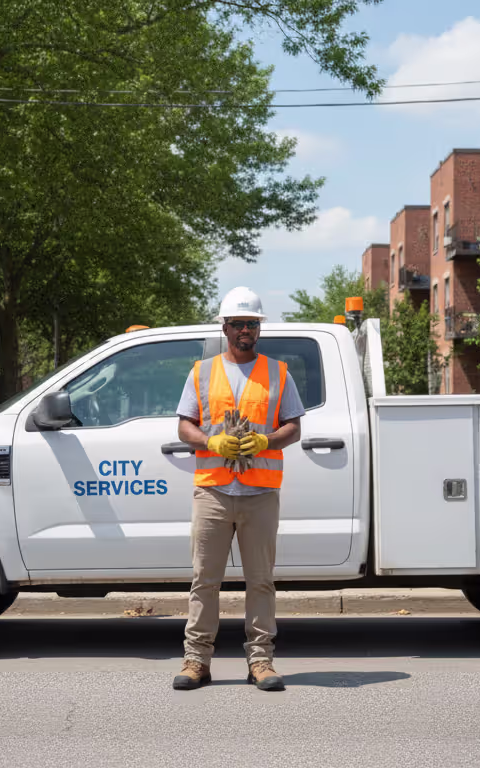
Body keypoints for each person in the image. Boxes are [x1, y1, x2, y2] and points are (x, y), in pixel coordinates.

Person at [171, 286, 304, 691]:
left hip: (259, 493)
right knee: (204, 580)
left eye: (253, 323)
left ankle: (261, 662)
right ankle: (197, 661)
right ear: (224, 327)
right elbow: (183, 425)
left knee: (260, 581)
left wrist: (266, 441)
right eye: (239, 323)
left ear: (258, 328)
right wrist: (211, 441)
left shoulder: (278, 372)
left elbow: (294, 427)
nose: (246, 329)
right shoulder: (202, 372)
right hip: (213, 491)